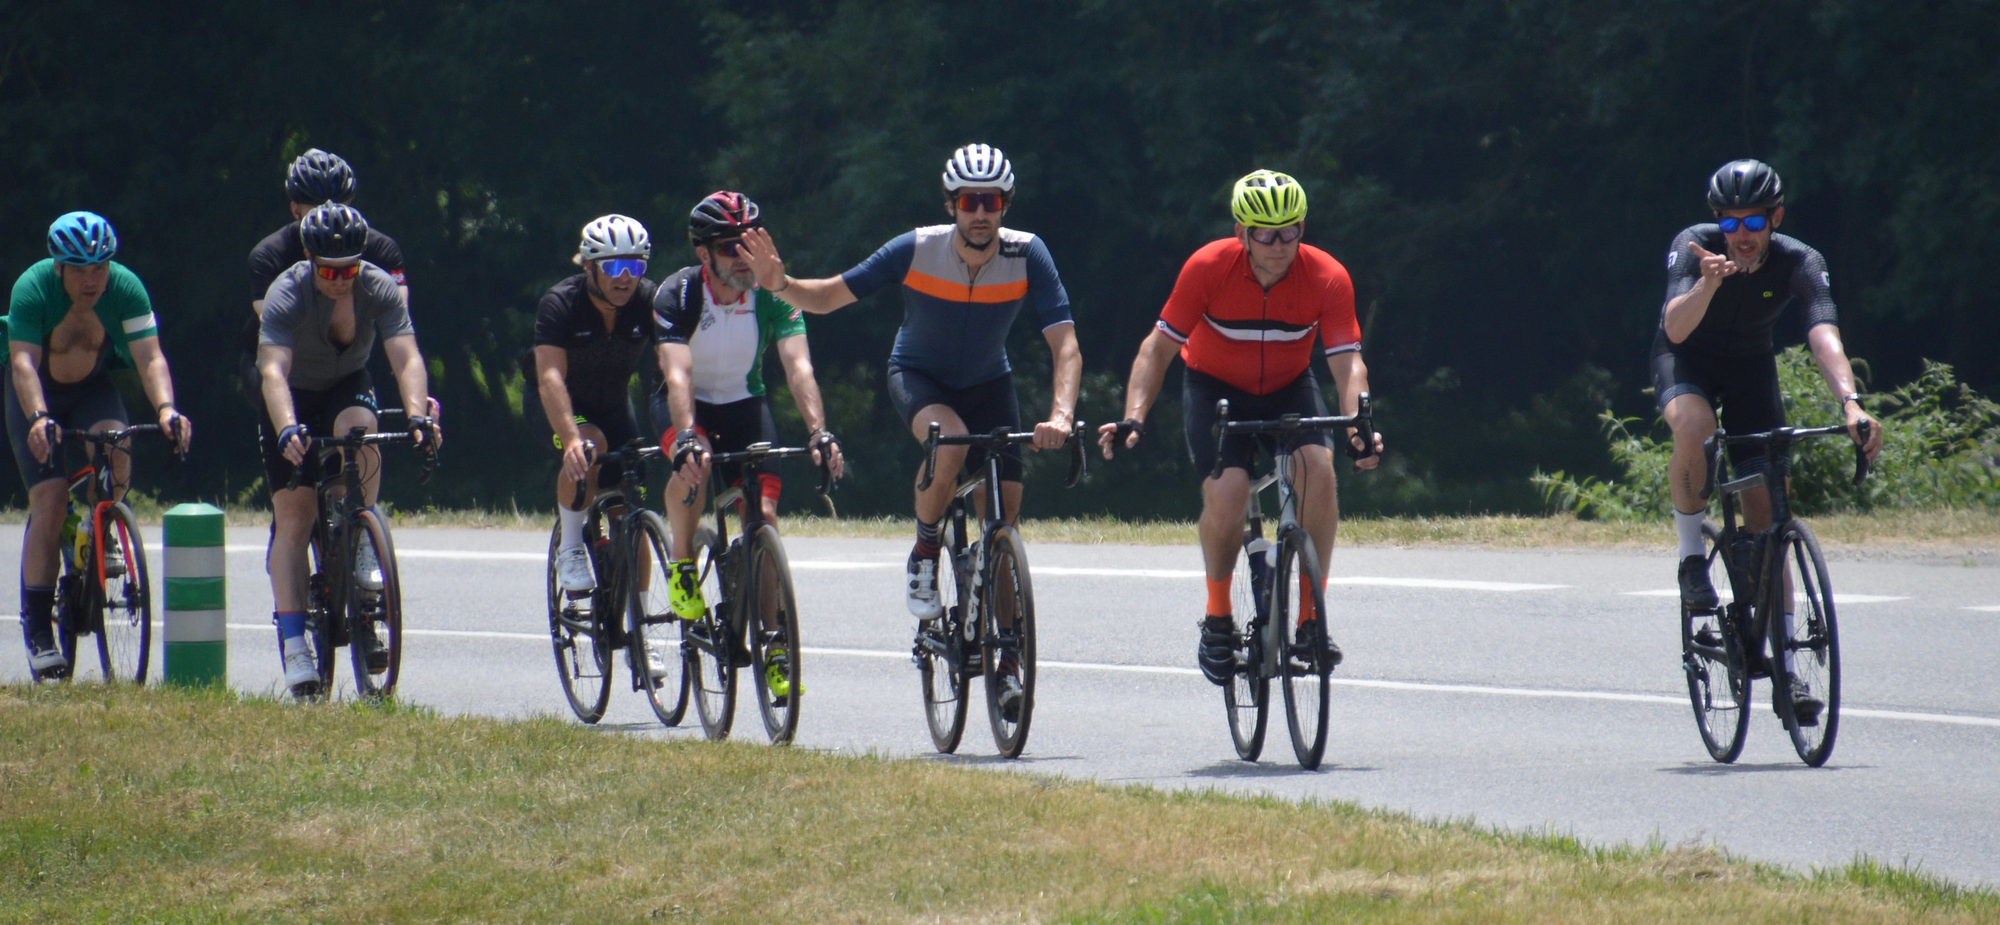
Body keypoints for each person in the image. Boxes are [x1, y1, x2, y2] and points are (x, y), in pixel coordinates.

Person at [736, 145, 1079, 720]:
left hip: (990, 382)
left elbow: (1064, 343)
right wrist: (781, 282)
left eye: (991, 202)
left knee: (1005, 517)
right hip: (917, 376)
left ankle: (1009, 663)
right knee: (952, 440)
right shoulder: (917, 248)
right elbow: (830, 296)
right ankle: (925, 549)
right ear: (951, 205)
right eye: (969, 202)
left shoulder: (1028, 254)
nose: (980, 213)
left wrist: (1062, 414)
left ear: (1005, 205)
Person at [1095, 169, 1382, 685]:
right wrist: (1134, 415)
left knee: (1317, 468)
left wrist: (1359, 421)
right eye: (1265, 234)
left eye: (1290, 231)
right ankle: (1217, 616)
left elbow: (1347, 364)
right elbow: (1156, 350)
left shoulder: (1328, 276)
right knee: (1227, 493)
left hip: (1289, 387)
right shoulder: (1207, 268)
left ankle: (1311, 622)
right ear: (1240, 233)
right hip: (1215, 389)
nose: (1279, 245)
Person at [1654, 158, 1882, 724]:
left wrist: (1850, 403)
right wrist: (1708, 280)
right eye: (1729, 224)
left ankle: (1787, 667)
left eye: (1752, 223)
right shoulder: (1694, 247)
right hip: (1687, 362)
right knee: (1694, 427)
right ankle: (1690, 559)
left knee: (1771, 516)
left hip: (1752, 368)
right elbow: (1674, 328)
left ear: (1775, 218)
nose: (1741, 237)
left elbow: (1823, 334)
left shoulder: (1800, 262)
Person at [653, 191, 844, 703]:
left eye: (750, 244)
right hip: (685, 403)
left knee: (762, 514)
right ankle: (682, 563)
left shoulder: (774, 293)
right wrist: (688, 436)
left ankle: (775, 645)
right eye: (730, 247)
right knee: (694, 469)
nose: (743, 257)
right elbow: (677, 373)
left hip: (742, 404)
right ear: (704, 254)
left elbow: (798, 366)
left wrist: (818, 431)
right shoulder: (678, 294)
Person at [257, 203, 439, 697]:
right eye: (330, 270)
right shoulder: (287, 290)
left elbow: (406, 357)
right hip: (293, 394)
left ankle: (359, 532)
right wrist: (287, 428)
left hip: (345, 386)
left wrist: (419, 413)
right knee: (294, 518)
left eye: (349, 268)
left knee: (363, 431)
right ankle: (296, 646)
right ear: (311, 257)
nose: (340, 279)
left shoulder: (375, 284)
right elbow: (272, 371)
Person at [8, 212, 191, 678]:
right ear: (59, 268)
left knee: (118, 447)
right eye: (81, 270)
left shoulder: (126, 288)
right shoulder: (32, 289)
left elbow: (149, 356)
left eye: (100, 269)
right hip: (35, 394)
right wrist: (38, 417)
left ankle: (101, 527)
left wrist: (167, 408)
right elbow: (24, 363)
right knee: (49, 501)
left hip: (91, 388)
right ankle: (37, 630)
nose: (92, 280)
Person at [242, 149, 408, 403]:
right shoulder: (268, 256)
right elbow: (279, 332)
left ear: (351, 205)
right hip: (281, 364)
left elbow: (398, 329)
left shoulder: (382, 251)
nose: (328, 216)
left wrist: (416, 397)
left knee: (359, 429)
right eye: (317, 209)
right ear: (295, 210)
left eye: (339, 205)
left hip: (347, 365)